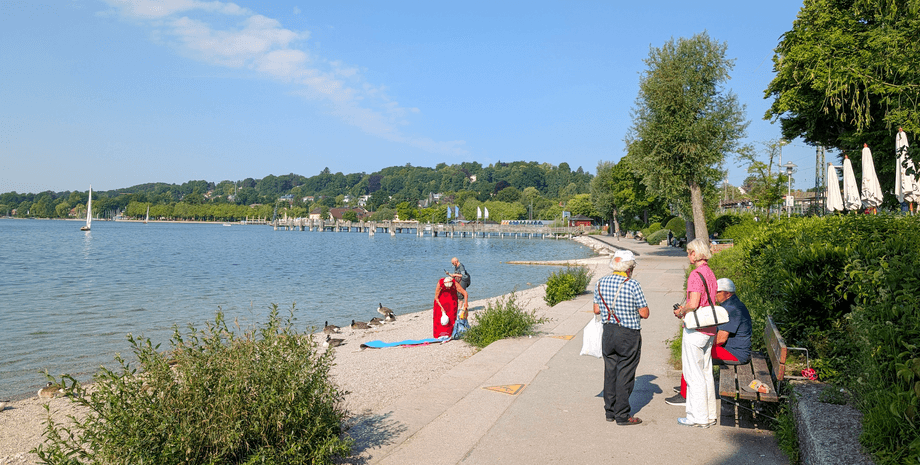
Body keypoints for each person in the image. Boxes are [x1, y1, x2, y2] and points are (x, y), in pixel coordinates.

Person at [666, 277, 752, 405]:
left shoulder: (733, 309)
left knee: (694, 352)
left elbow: (721, 339)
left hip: (736, 353)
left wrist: (702, 343)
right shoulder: (730, 304)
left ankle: (686, 396)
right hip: (731, 349)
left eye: (718, 292)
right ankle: (690, 385)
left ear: (727, 293)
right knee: (695, 349)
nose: (715, 294)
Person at [593, 249, 650, 425]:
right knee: (625, 372)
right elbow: (644, 313)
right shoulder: (633, 285)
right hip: (628, 333)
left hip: (608, 331)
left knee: (610, 371)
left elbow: (596, 310)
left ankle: (609, 411)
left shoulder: (600, 283)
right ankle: (622, 414)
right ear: (629, 268)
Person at [671, 238, 719, 428]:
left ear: (695, 253)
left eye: (689, 252)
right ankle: (709, 415)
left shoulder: (695, 275)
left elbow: (694, 303)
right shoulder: (710, 273)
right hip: (710, 328)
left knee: (693, 374)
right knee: (706, 372)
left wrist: (681, 311)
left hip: (696, 329)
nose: (688, 255)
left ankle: (696, 417)